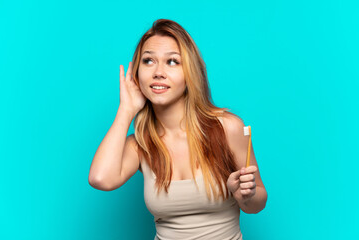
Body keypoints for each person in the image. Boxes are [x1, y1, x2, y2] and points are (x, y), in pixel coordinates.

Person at [88, 19, 267, 240]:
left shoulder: (227, 127)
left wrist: (245, 197)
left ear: (189, 72)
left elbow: (257, 203)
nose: (158, 72)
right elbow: (100, 178)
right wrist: (126, 110)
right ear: (137, 73)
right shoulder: (141, 144)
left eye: (172, 62)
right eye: (148, 61)